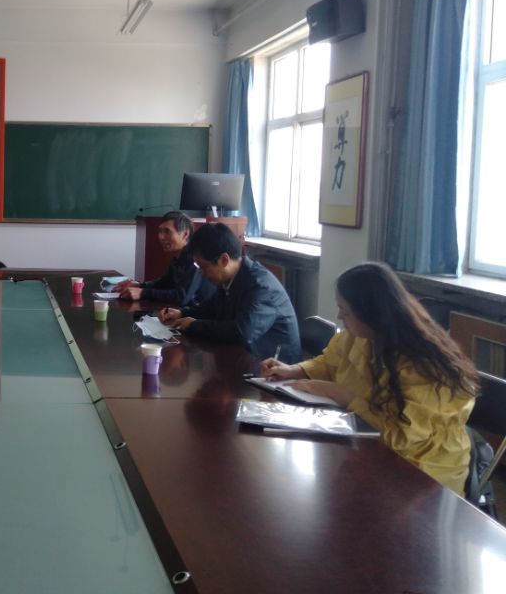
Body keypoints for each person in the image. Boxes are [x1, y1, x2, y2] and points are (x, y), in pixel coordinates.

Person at [261, 262, 479, 494]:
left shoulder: (424, 366)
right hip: (369, 443)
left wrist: (344, 396)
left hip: (423, 471)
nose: (339, 317)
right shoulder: (360, 334)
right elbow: (329, 362)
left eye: (345, 312)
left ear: (372, 315)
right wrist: (294, 369)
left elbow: (401, 438)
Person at [159, 223, 301, 362]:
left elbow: (241, 332)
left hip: (273, 366)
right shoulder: (231, 276)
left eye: (202, 266)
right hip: (244, 355)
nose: (201, 272)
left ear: (224, 260)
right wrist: (182, 313)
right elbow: (212, 307)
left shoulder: (261, 287)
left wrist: (194, 325)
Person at [115, 210, 215, 308]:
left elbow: (182, 297)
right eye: (160, 231)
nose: (161, 237)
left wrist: (143, 293)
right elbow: (165, 283)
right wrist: (140, 285)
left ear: (185, 234)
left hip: (200, 314)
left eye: (167, 231)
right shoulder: (178, 256)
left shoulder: (195, 258)